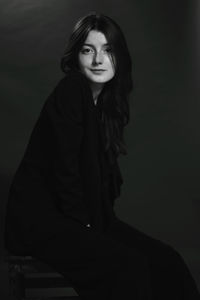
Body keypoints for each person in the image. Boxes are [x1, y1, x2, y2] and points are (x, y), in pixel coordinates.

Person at [4, 12, 200, 300]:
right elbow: (65, 170)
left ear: (119, 57)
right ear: (76, 57)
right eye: (88, 50)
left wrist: (98, 224)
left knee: (166, 261)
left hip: (87, 217)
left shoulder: (105, 106)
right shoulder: (72, 89)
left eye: (108, 50)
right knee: (127, 266)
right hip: (41, 222)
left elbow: (101, 182)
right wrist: (88, 228)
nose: (98, 60)